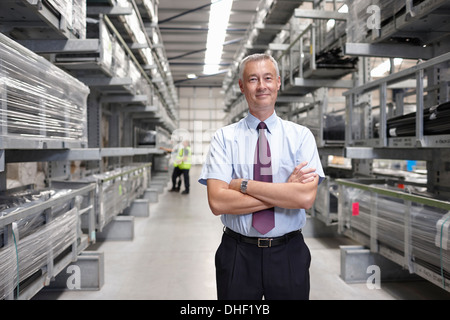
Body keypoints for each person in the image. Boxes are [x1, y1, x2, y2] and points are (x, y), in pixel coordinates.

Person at [198, 53, 325, 300]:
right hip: (237, 253)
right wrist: (285, 191)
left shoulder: (301, 137)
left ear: (278, 82)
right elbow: (218, 202)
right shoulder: (224, 138)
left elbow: (305, 198)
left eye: (268, 78)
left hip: (288, 253)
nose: (262, 86)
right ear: (242, 86)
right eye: (253, 79)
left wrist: (242, 185)